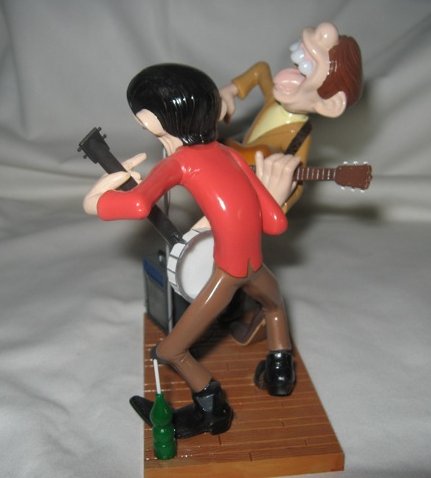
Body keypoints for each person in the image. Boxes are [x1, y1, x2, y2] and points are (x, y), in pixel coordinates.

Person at [83, 63, 300, 439]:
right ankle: (281, 371)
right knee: (275, 305)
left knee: (171, 351)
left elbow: (138, 205)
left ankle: (213, 408)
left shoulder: (180, 162)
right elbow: (276, 224)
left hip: (228, 274)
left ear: (155, 120)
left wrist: (95, 200)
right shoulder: (230, 154)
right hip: (256, 267)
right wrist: (271, 195)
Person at [218, 22, 363, 344]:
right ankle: (234, 308)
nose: (289, 77)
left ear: (328, 104)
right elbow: (260, 70)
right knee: (228, 257)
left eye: (305, 72)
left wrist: (278, 198)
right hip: (235, 179)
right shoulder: (279, 96)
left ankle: (263, 311)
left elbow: (286, 173)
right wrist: (230, 91)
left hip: (256, 199)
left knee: (241, 261)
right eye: (299, 67)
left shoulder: (299, 137)